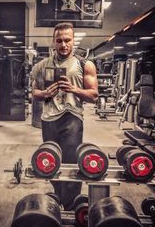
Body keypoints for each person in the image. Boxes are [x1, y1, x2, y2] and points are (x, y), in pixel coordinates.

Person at [31, 22, 98, 210]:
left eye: (67, 40)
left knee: (71, 163)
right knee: (51, 161)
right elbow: (34, 93)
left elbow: (93, 95)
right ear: (53, 42)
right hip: (49, 119)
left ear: (73, 41)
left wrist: (74, 89)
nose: (63, 44)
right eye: (59, 40)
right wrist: (45, 94)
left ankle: (70, 205)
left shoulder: (85, 64)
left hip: (72, 117)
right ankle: (59, 200)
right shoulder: (41, 66)